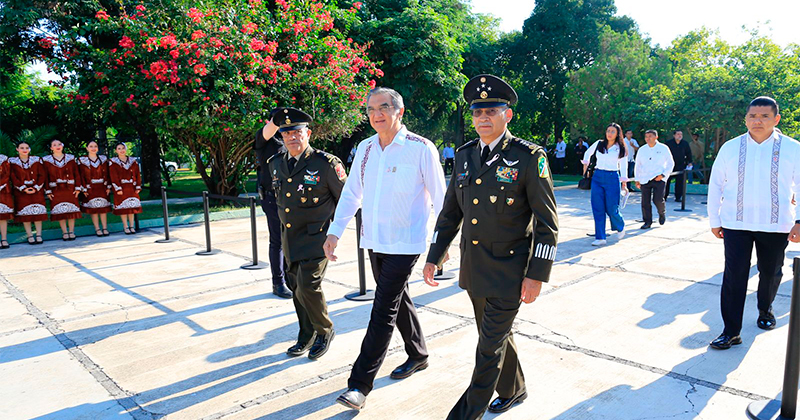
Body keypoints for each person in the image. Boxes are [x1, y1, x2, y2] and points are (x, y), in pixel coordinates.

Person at [422, 74, 558, 420]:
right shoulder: (465, 155)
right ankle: (514, 389)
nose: (483, 118)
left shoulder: (529, 157)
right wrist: (434, 256)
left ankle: (466, 415)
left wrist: (537, 275)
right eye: (477, 112)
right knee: (494, 336)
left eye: (492, 111)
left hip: (510, 272)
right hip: (475, 268)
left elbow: (547, 224)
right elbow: (450, 212)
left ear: (507, 115)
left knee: (487, 350)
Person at [326, 87, 446, 410]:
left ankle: (359, 385)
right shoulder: (365, 149)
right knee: (396, 297)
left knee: (382, 310)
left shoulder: (421, 148)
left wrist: (441, 245)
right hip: (374, 240)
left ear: (399, 111)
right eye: (370, 110)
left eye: (383, 108)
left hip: (406, 243)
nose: (376, 115)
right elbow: (351, 194)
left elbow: (442, 200)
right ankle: (418, 353)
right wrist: (335, 232)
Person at [707, 96, 800, 350]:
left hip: (776, 224)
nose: (758, 121)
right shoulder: (730, 148)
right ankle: (731, 331)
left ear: (776, 119)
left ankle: (765, 309)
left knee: (770, 272)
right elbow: (716, 184)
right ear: (746, 119)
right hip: (736, 223)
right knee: (734, 276)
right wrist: (715, 219)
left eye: (764, 116)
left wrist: (799, 221)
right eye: (753, 116)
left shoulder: (793, 148)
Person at [265, 107, 347, 360]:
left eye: (297, 132)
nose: (292, 137)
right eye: (286, 133)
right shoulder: (276, 163)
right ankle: (306, 333)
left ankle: (325, 330)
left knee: (308, 286)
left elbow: (346, 201)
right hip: (290, 238)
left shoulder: (326, 164)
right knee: (295, 286)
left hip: (317, 237)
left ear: (308, 134)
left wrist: (335, 233)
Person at [254, 111, 292, 299]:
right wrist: (278, 120)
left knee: (289, 238)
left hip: (289, 197)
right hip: (271, 197)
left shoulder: (288, 137)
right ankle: (278, 282)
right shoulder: (265, 139)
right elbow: (268, 130)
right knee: (277, 240)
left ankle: (289, 277)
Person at [583, 123, 628, 246]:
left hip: (612, 177)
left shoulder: (620, 148)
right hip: (597, 177)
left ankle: (620, 226)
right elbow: (587, 153)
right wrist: (585, 165)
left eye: (613, 131)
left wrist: (624, 183)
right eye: (608, 131)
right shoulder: (599, 144)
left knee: (612, 208)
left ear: (617, 133)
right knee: (598, 207)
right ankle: (600, 237)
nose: (609, 133)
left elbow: (623, 165)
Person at [43, 139, 83, 241]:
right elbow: (45, 176)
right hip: (56, 189)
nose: (57, 146)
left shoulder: (70, 158)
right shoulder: (46, 160)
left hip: (70, 188)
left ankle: (71, 231)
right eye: (54, 145)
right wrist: (48, 190)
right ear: (51, 148)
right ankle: (64, 232)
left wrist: (78, 188)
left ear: (63, 146)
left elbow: (76, 173)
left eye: (59, 144)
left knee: (71, 211)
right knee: (60, 211)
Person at [634, 130, 674, 229]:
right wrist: (637, 179)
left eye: (650, 136)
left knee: (658, 199)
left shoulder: (663, 148)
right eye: (646, 136)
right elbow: (637, 165)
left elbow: (670, 163)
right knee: (645, 202)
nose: (648, 138)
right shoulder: (642, 149)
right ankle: (647, 221)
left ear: (656, 137)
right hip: (645, 178)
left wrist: (663, 175)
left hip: (658, 178)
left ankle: (662, 213)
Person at [10, 142, 47, 244]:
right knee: (25, 215)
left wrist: (36, 187)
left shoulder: (37, 160)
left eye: (26, 147)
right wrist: (23, 188)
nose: (24, 150)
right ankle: (29, 235)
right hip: (21, 192)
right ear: (17, 149)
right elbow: (13, 176)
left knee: (38, 213)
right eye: (22, 148)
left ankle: (39, 235)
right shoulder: (12, 161)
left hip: (37, 191)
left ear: (30, 149)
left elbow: (42, 175)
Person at [78, 141, 112, 236]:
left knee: (103, 209)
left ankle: (105, 228)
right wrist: (84, 188)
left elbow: (108, 173)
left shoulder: (103, 159)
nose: (93, 148)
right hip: (90, 188)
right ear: (87, 148)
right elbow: (81, 175)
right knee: (93, 210)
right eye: (91, 146)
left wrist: (108, 186)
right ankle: (97, 229)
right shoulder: (82, 160)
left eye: (95, 146)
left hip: (102, 187)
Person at [108, 143, 142, 234]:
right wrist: (118, 188)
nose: (121, 150)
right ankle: (125, 226)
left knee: (131, 207)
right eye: (119, 148)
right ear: (116, 151)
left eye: (123, 148)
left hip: (132, 187)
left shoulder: (133, 161)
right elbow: (113, 176)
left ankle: (131, 226)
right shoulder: (113, 162)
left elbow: (137, 174)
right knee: (123, 209)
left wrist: (138, 186)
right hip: (121, 188)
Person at [664, 130, 692, 202]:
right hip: (669, 165)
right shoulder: (668, 143)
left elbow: (688, 153)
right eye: (678, 134)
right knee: (666, 181)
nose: (680, 136)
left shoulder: (685, 143)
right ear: (674, 135)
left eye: (681, 134)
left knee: (680, 182)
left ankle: (678, 197)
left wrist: (690, 162)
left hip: (681, 165)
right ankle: (664, 196)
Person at [0, 153, 13, 248]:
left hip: (3, 190)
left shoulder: (3, 158)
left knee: (3, 216)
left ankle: (4, 239)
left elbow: (7, 173)